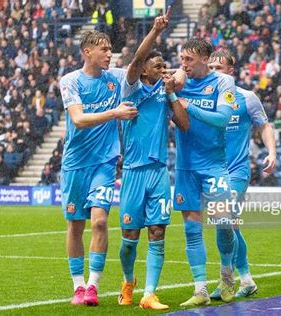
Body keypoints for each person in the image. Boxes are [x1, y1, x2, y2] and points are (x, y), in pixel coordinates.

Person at [59, 29, 137, 306]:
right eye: (103, 49)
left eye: (110, 49)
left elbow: (140, 65)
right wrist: (115, 113)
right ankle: (78, 286)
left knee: (100, 221)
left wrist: (155, 31)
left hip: (104, 163)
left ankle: (93, 285)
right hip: (74, 164)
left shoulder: (115, 77)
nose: (109, 54)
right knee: (75, 226)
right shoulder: (70, 81)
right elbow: (78, 119)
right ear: (87, 51)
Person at [117, 9, 189, 310]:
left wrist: (172, 94)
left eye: (164, 65)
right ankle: (128, 282)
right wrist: (157, 30)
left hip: (159, 172)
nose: (163, 69)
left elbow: (183, 124)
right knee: (129, 237)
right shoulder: (131, 88)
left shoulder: (163, 92)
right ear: (144, 70)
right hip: (133, 172)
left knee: (158, 231)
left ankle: (149, 293)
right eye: (157, 65)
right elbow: (135, 60)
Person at [207, 50, 276, 300]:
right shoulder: (202, 97)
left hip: (236, 171)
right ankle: (247, 280)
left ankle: (226, 281)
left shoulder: (246, 98)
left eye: (219, 68)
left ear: (231, 71)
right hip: (212, 172)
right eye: (211, 67)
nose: (214, 72)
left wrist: (272, 152)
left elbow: (264, 125)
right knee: (231, 226)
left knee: (221, 219)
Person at [173, 38, 236, 307]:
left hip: (214, 165)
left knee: (223, 222)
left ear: (204, 58)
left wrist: (191, 107)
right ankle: (200, 289)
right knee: (191, 229)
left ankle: (227, 277)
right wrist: (174, 91)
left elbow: (222, 119)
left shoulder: (223, 83)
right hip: (186, 166)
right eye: (182, 59)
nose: (183, 64)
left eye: (188, 59)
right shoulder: (180, 81)